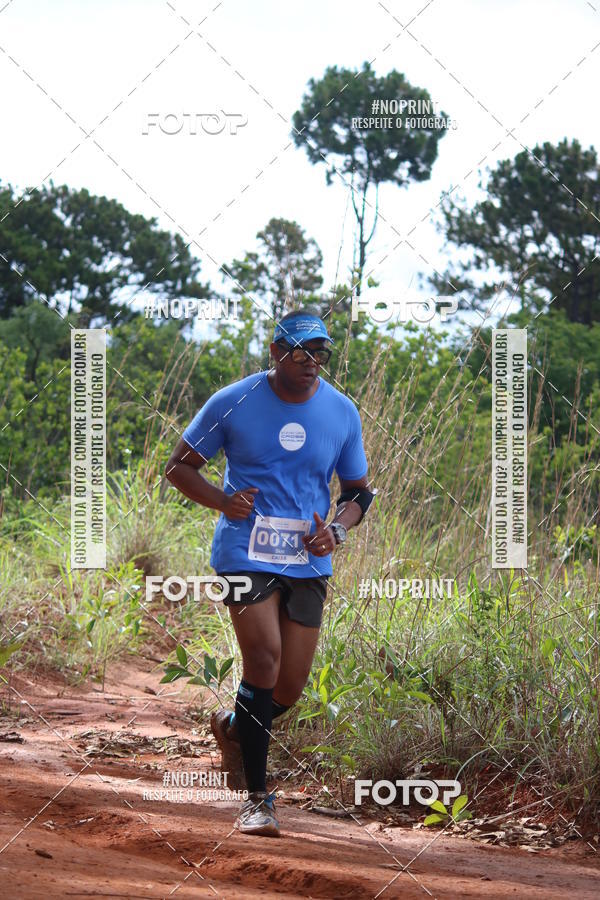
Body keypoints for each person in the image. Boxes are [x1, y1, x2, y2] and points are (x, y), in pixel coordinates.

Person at [165, 309, 375, 837]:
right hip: (245, 551)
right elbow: (179, 466)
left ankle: (235, 727)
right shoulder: (233, 400)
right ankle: (257, 800)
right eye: (301, 352)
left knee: (289, 686)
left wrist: (337, 530)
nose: (311, 363)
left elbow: (357, 492)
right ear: (276, 352)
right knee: (263, 658)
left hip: (308, 557)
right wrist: (223, 501)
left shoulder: (341, 411)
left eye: (321, 354)